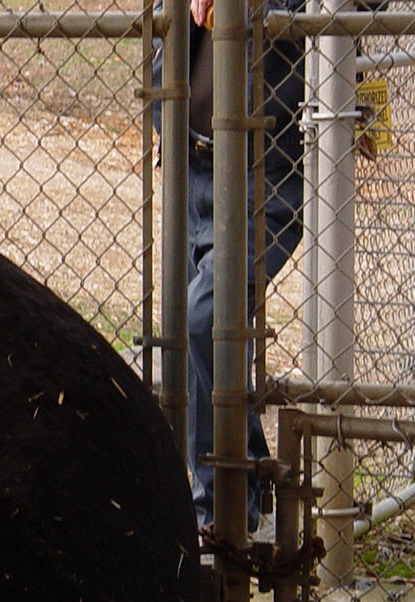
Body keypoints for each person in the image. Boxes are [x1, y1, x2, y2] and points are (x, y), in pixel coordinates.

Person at [156, 0, 305, 533]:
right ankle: (249, 479)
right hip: (194, 161)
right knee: (200, 336)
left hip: (265, 170)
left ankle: (219, 515)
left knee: (205, 318)